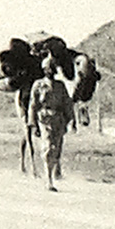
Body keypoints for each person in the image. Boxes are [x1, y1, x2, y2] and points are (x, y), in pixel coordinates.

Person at [28, 55, 75, 192]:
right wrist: (33, 123)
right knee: (48, 147)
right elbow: (33, 104)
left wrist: (71, 120)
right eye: (48, 68)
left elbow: (67, 103)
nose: (51, 70)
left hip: (59, 120)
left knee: (57, 149)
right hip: (45, 119)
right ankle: (48, 180)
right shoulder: (38, 85)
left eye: (53, 68)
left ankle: (54, 172)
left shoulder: (60, 85)